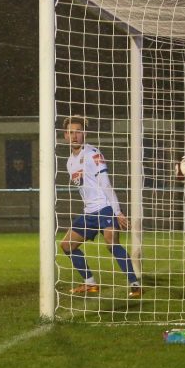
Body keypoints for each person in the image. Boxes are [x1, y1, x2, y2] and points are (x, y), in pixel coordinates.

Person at [59, 115, 141, 298]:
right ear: (65, 135)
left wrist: (117, 211)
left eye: (78, 132)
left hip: (104, 208)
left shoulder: (93, 154)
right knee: (66, 245)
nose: (74, 136)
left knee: (112, 244)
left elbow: (106, 184)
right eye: (71, 132)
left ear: (84, 134)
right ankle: (90, 283)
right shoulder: (70, 162)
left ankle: (135, 285)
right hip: (89, 212)